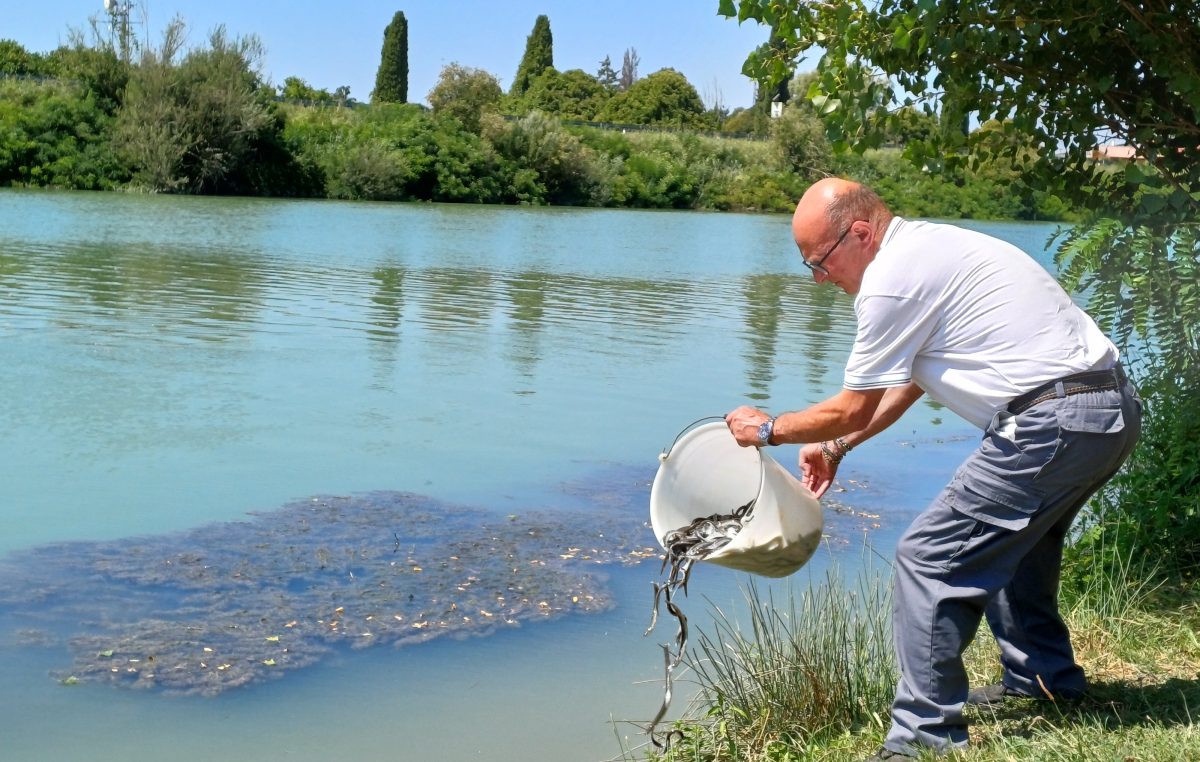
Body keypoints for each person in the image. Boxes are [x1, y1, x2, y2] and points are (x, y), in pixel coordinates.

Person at [724, 178, 1141, 760]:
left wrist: (766, 430)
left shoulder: (890, 284)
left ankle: (923, 736)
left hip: (1055, 419)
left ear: (860, 233)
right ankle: (1045, 680)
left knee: (928, 558)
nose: (819, 279)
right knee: (1016, 542)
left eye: (819, 261)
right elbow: (911, 381)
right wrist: (840, 447)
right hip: (1107, 410)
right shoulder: (926, 248)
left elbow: (853, 404)